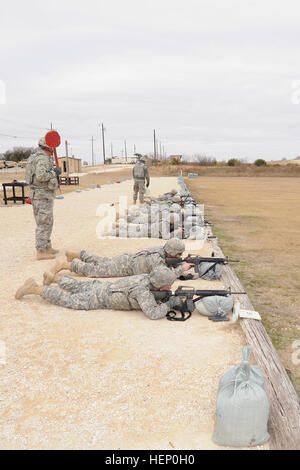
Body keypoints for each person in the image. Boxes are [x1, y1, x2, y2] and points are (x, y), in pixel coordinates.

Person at [15, 267, 184, 320]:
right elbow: (153, 313)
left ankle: (55, 278)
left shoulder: (146, 277)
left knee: (78, 286)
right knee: (70, 300)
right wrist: (169, 304)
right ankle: (35, 289)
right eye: (167, 286)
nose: (168, 288)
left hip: (104, 287)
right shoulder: (143, 292)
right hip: (101, 298)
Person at [44, 239, 193, 282]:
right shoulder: (157, 259)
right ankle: (66, 265)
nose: (179, 257)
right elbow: (163, 276)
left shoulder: (161, 249)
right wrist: (181, 269)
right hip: (126, 267)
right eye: (178, 254)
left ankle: (76, 254)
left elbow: (168, 262)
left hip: (127, 259)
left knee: (102, 261)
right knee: (95, 271)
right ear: (172, 252)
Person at [26, 137, 62, 260]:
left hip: (40, 195)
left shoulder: (35, 157)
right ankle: (41, 251)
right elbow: (41, 176)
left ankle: (47, 246)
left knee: (47, 221)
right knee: (43, 223)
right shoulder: (42, 158)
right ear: (48, 147)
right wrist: (54, 173)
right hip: (42, 195)